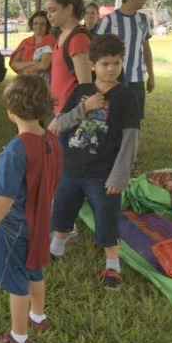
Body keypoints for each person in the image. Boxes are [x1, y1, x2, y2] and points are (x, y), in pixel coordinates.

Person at [0, 75, 62, 343]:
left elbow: (5, 198)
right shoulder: (51, 140)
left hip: (17, 226)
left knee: (16, 280)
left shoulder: (16, 150)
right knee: (35, 268)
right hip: (42, 219)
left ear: (11, 112)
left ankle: (18, 337)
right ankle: (38, 316)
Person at [49, 35, 141, 291]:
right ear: (92, 65)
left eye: (116, 63)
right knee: (63, 209)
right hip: (72, 168)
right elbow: (57, 125)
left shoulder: (126, 97)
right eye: (105, 64)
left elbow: (130, 138)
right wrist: (85, 108)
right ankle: (56, 247)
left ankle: (112, 263)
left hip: (103, 173)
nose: (111, 69)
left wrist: (120, 176)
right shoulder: (81, 92)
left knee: (107, 216)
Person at [95, 0, 155, 120]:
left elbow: (146, 49)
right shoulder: (109, 20)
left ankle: (132, 142)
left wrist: (151, 75)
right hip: (113, 78)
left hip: (137, 78)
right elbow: (96, 50)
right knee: (112, 116)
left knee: (135, 118)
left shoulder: (143, 19)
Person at [45, 0, 94, 116]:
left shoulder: (78, 39)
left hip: (71, 112)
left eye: (53, 10)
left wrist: (72, 115)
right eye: (47, 11)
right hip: (60, 110)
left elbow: (85, 85)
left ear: (69, 9)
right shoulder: (62, 35)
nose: (48, 16)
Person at [9, 11, 55, 80]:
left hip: (43, 82)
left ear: (47, 25)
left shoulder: (51, 41)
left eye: (42, 24)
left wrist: (24, 69)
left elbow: (43, 65)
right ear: (32, 25)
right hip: (25, 81)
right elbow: (13, 64)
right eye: (35, 23)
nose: (38, 26)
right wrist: (33, 62)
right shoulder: (25, 42)